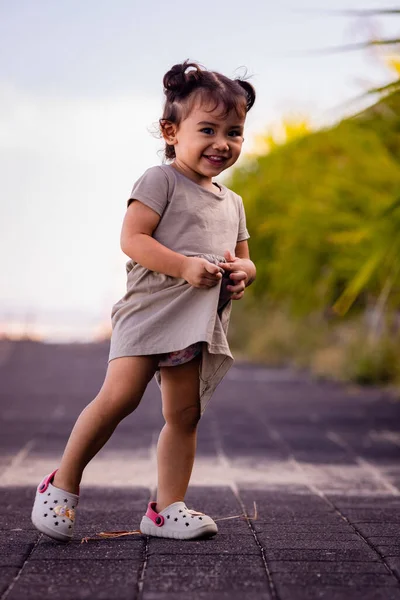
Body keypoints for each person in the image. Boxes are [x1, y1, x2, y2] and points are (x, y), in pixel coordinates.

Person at [31, 60, 257, 542]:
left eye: (234, 132)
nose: (223, 143)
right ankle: (62, 482)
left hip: (195, 322)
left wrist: (243, 274)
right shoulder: (161, 181)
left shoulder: (232, 202)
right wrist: (183, 266)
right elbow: (133, 239)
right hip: (149, 313)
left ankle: (165, 508)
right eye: (208, 130)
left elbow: (244, 257)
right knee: (119, 398)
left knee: (185, 415)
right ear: (171, 132)